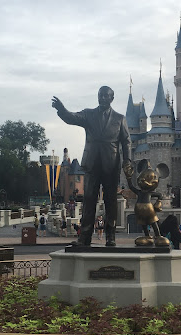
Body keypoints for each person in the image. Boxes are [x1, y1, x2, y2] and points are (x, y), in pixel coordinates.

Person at [52, 86, 131, 246]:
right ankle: (85, 237)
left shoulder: (119, 118)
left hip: (111, 164)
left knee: (111, 202)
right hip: (92, 164)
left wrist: (127, 161)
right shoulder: (89, 114)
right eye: (100, 96)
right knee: (89, 200)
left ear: (111, 98)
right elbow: (71, 117)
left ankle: (111, 237)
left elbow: (126, 141)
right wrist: (61, 109)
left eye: (105, 96)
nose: (102, 98)